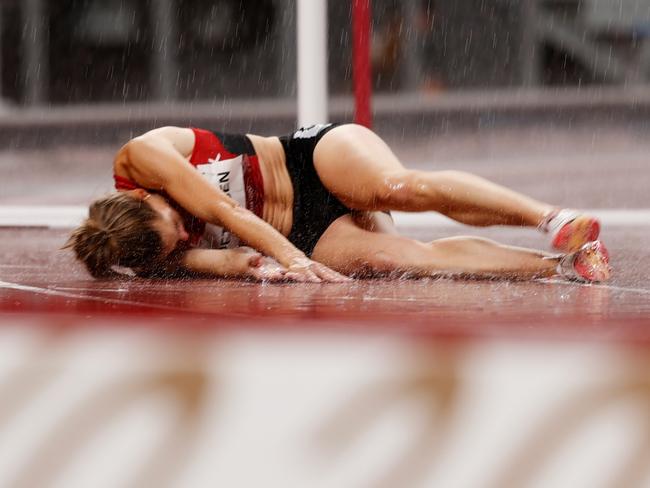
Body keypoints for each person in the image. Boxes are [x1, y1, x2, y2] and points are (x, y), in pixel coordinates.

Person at [65, 123, 611, 283]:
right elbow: (229, 257)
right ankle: (563, 265)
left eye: (177, 223)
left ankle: (551, 218)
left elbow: (225, 215)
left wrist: (295, 262)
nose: (187, 235)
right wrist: (266, 267)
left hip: (310, 159)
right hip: (305, 232)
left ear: (141, 195)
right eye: (176, 246)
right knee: (395, 259)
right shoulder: (149, 252)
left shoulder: (141, 159)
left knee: (400, 188)